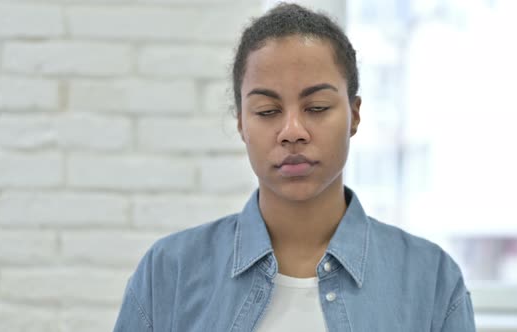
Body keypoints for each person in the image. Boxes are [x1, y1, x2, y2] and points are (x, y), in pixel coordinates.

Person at [113, 3, 476, 331]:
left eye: (316, 107)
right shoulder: (169, 271)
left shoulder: (432, 280)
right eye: (267, 112)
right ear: (241, 123)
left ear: (354, 115)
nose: (292, 132)